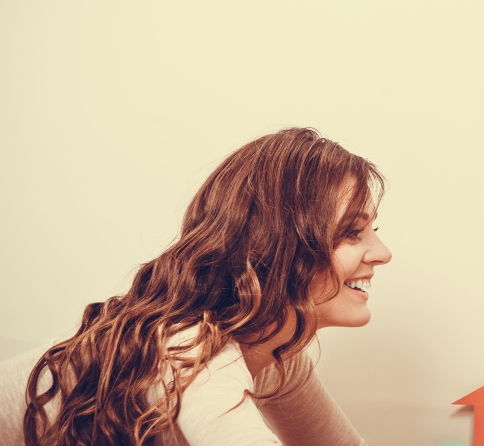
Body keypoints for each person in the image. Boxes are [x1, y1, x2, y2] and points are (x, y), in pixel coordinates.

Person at [0, 128, 392, 445]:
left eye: (373, 230)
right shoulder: (194, 355)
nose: (383, 253)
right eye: (352, 233)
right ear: (275, 247)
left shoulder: (275, 353)